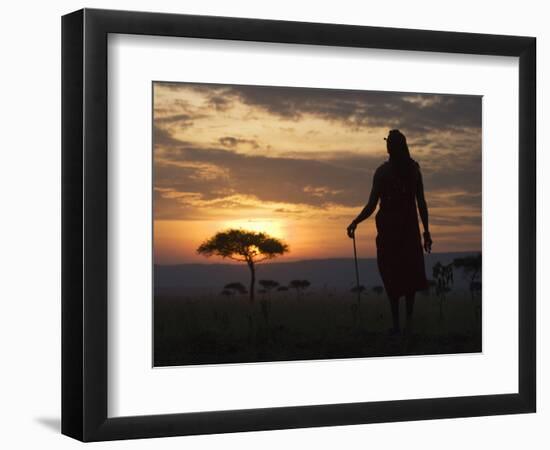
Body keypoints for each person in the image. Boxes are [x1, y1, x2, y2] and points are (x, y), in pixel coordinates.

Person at [347, 129, 432, 335]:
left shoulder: (385, 172)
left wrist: (355, 221)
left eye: (389, 143)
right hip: (406, 231)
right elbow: (421, 203)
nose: (387, 146)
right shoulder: (413, 170)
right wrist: (426, 232)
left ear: (391, 147)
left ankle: (398, 326)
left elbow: (372, 205)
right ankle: (406, 325)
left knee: (394, 276)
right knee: (405, 276)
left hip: (392, 233)